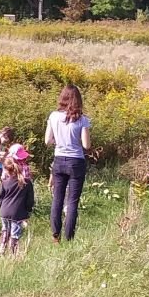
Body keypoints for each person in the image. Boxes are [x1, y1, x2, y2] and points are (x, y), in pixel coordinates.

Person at [45, 84, 91, 243]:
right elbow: (86, 145)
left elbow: (47, 141)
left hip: (59, 160)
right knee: (72, 202)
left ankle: (55, 235)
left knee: (57, 199)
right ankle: (69, 237)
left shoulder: (53, 116)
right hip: (76, 161)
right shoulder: (82, 119)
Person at [0, 145, 35, 256]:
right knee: (15, 232)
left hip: (4, 211)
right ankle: (13, 253)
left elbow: (0, 197)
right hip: (18, 212)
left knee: (5, 229)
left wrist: (1, 207)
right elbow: (30, 200)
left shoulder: (5, 182)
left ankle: (1, 248)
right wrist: (28, 211)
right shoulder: (27, 183)